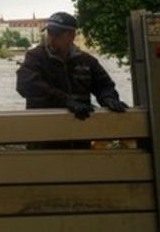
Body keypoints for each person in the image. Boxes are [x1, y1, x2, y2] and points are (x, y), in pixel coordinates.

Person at [16, 12, 128, 148]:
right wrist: (66, 100)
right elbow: (26, 85)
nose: (51, 38)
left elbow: (103, 85)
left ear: (71, 35)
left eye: (57, 34)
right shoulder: (36, 57)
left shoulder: (86, 61)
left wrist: (108, 98)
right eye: (49, 33)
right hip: (44, 136)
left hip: (79, 135)